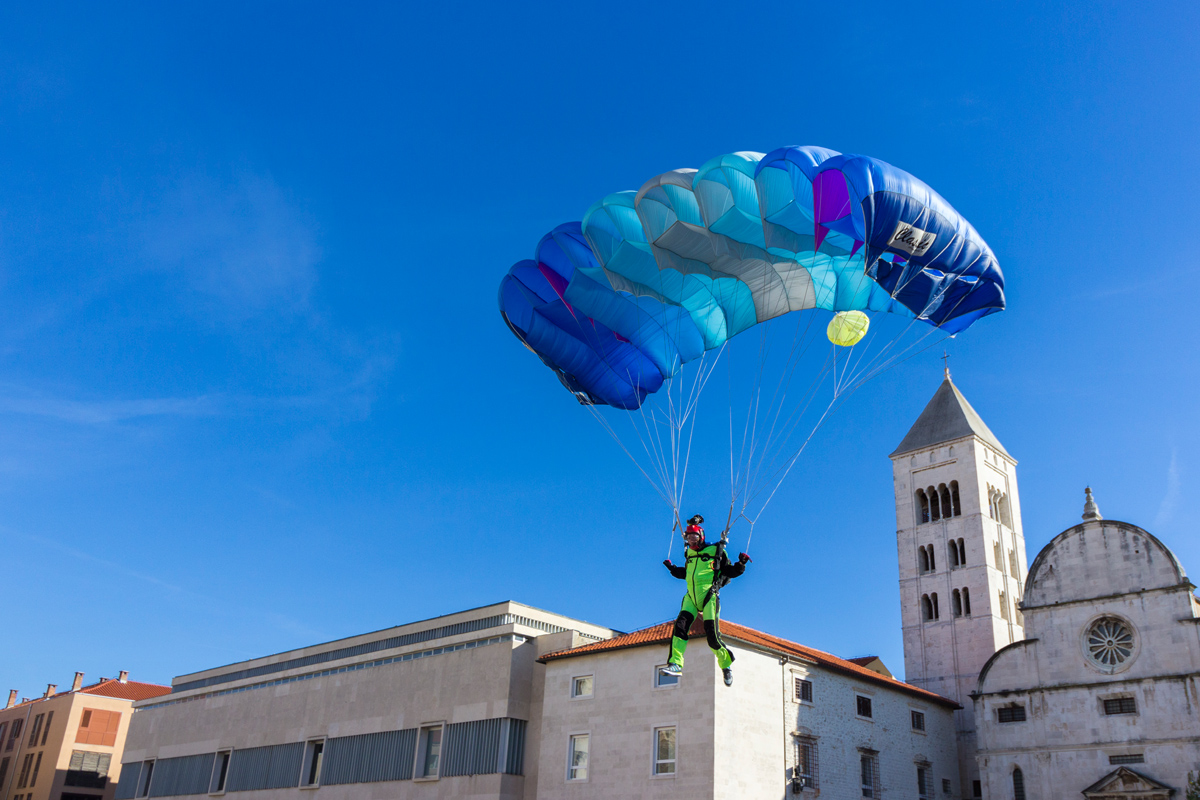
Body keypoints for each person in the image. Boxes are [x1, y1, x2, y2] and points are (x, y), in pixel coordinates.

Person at [661, 514, 750, 686]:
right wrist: (672, 568)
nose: (692, 541)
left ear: (701, 536)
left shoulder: (716, 551)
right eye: (689, 538)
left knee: (712, 637)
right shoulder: (689, 554)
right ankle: (675, 664)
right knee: (679, 628)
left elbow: (729, 571)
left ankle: (726, 664)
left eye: (694, 537)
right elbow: (686, 574)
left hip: (709, 595)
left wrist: (741, 564)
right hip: (691, 598)